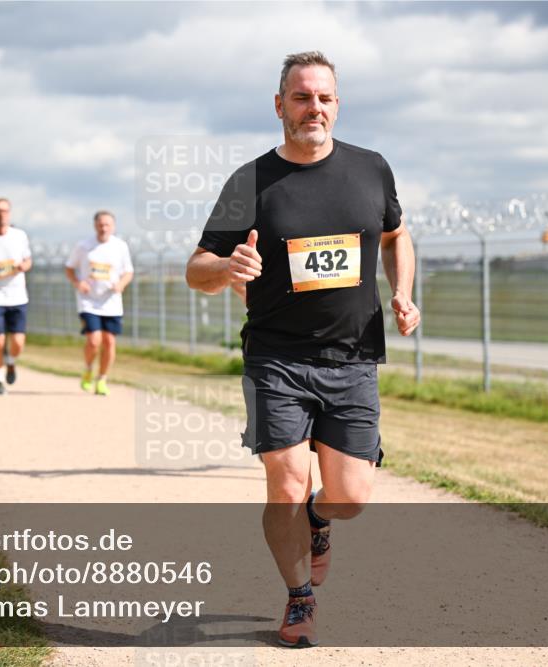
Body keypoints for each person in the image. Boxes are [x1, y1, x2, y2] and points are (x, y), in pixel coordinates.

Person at [185, 51, 420, 648]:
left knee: (349, 498)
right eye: (301, 96)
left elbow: (396, 236)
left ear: (337, 104)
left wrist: (404, 292)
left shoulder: (372, 169)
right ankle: (299, 597)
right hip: (276, 360)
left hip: (353, 357)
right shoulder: (250, 181)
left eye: (324, 97)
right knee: (286, 485)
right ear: (279, 105)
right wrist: (227, 264)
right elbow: (196, 269)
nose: (313, 107)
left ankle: (320, 520)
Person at [64, 210, 133, 396]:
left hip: (111, 301)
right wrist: (78, 283)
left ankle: (102, 379)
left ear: (113, 226)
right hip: (88, 301)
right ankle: (88, 369)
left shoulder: (120, 246)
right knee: (94, 340)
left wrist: (121, 284)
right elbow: (69, 268)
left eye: (107, 224)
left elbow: (128, 272)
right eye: (100, 224)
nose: (104, 228)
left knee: (109, 342)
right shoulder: (84, 246)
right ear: (95, 225)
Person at [0, 198, 32, 394]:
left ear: (9, 214)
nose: (1, 214)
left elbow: (28, 260)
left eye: (5, 211)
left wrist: (23, 266)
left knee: (18, 342)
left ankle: (11, 362)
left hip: (18, 296)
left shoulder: (19, 236)